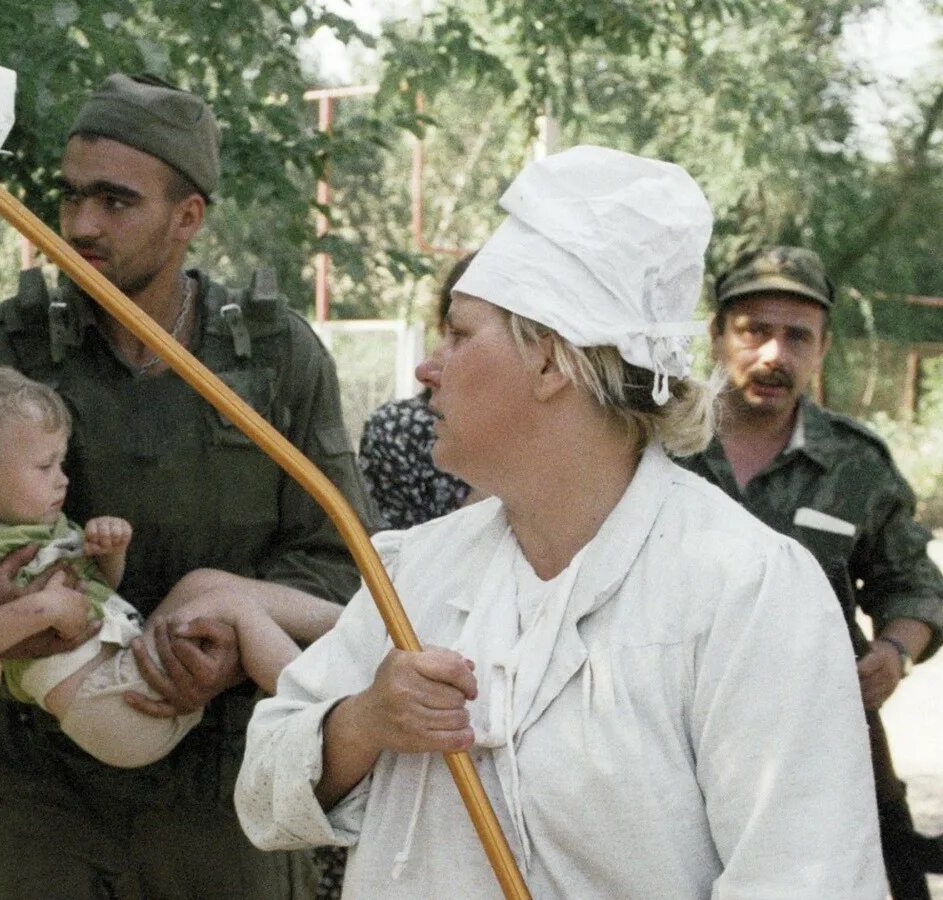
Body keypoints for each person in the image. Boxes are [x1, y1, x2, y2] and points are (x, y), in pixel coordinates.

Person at [235, 146, 886, 897]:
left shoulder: (744, 589)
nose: (427, 367)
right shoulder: (417, 568)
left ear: (549, 363)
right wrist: (362, 723)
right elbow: (263, 798)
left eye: (459, 333)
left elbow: (806, 878)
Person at [0, 73, 373, 898]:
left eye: (116, 203)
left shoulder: (275, 361)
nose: (79, 225)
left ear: (188, 218)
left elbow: (342, 563)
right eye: (72, 197)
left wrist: (227, 647)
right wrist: (1, 612)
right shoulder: (1, 364)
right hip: (47, 796)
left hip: (222, 799)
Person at [679, 245, 943, 899]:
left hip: (821, 739)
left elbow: (911, 583)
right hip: (668, 730)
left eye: (797, 337)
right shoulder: (659, 446)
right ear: (717, 337)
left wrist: (891, 651)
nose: (774, 354)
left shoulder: (853, 464)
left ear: (821, 349)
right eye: (754, 332)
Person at [0, 364, 306, 769]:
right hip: (108, 708)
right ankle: (323, 712)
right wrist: (42, 610)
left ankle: (359, 622)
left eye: (61, 464)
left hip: (129, 670)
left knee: (204, 584)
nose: (63, 481)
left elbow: (100, 592)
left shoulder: (43, 525)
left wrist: (109, 553)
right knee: (230, 604)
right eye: (45, 467)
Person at [357, 253, 474, 529]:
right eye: (448, 333)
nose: (425, 370)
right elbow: (388, 567)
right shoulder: (397, 432)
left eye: (460, 336)